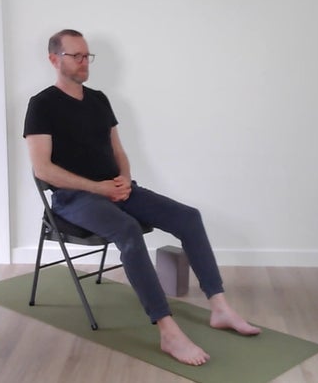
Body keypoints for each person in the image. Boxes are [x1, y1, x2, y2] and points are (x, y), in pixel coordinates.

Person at [23, 29, 260, 366]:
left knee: (188, 217)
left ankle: (219, 307)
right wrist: (98, 188)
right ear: (53, 60)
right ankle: (167, 331)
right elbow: (43, 169)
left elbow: (118, 150)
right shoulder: (41, 104)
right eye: (75, 55)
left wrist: (121, 180)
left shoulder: (99, 99)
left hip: (116, 189)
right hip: (74, 199)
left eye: (86, 55)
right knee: (128, 230)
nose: (83, 62)